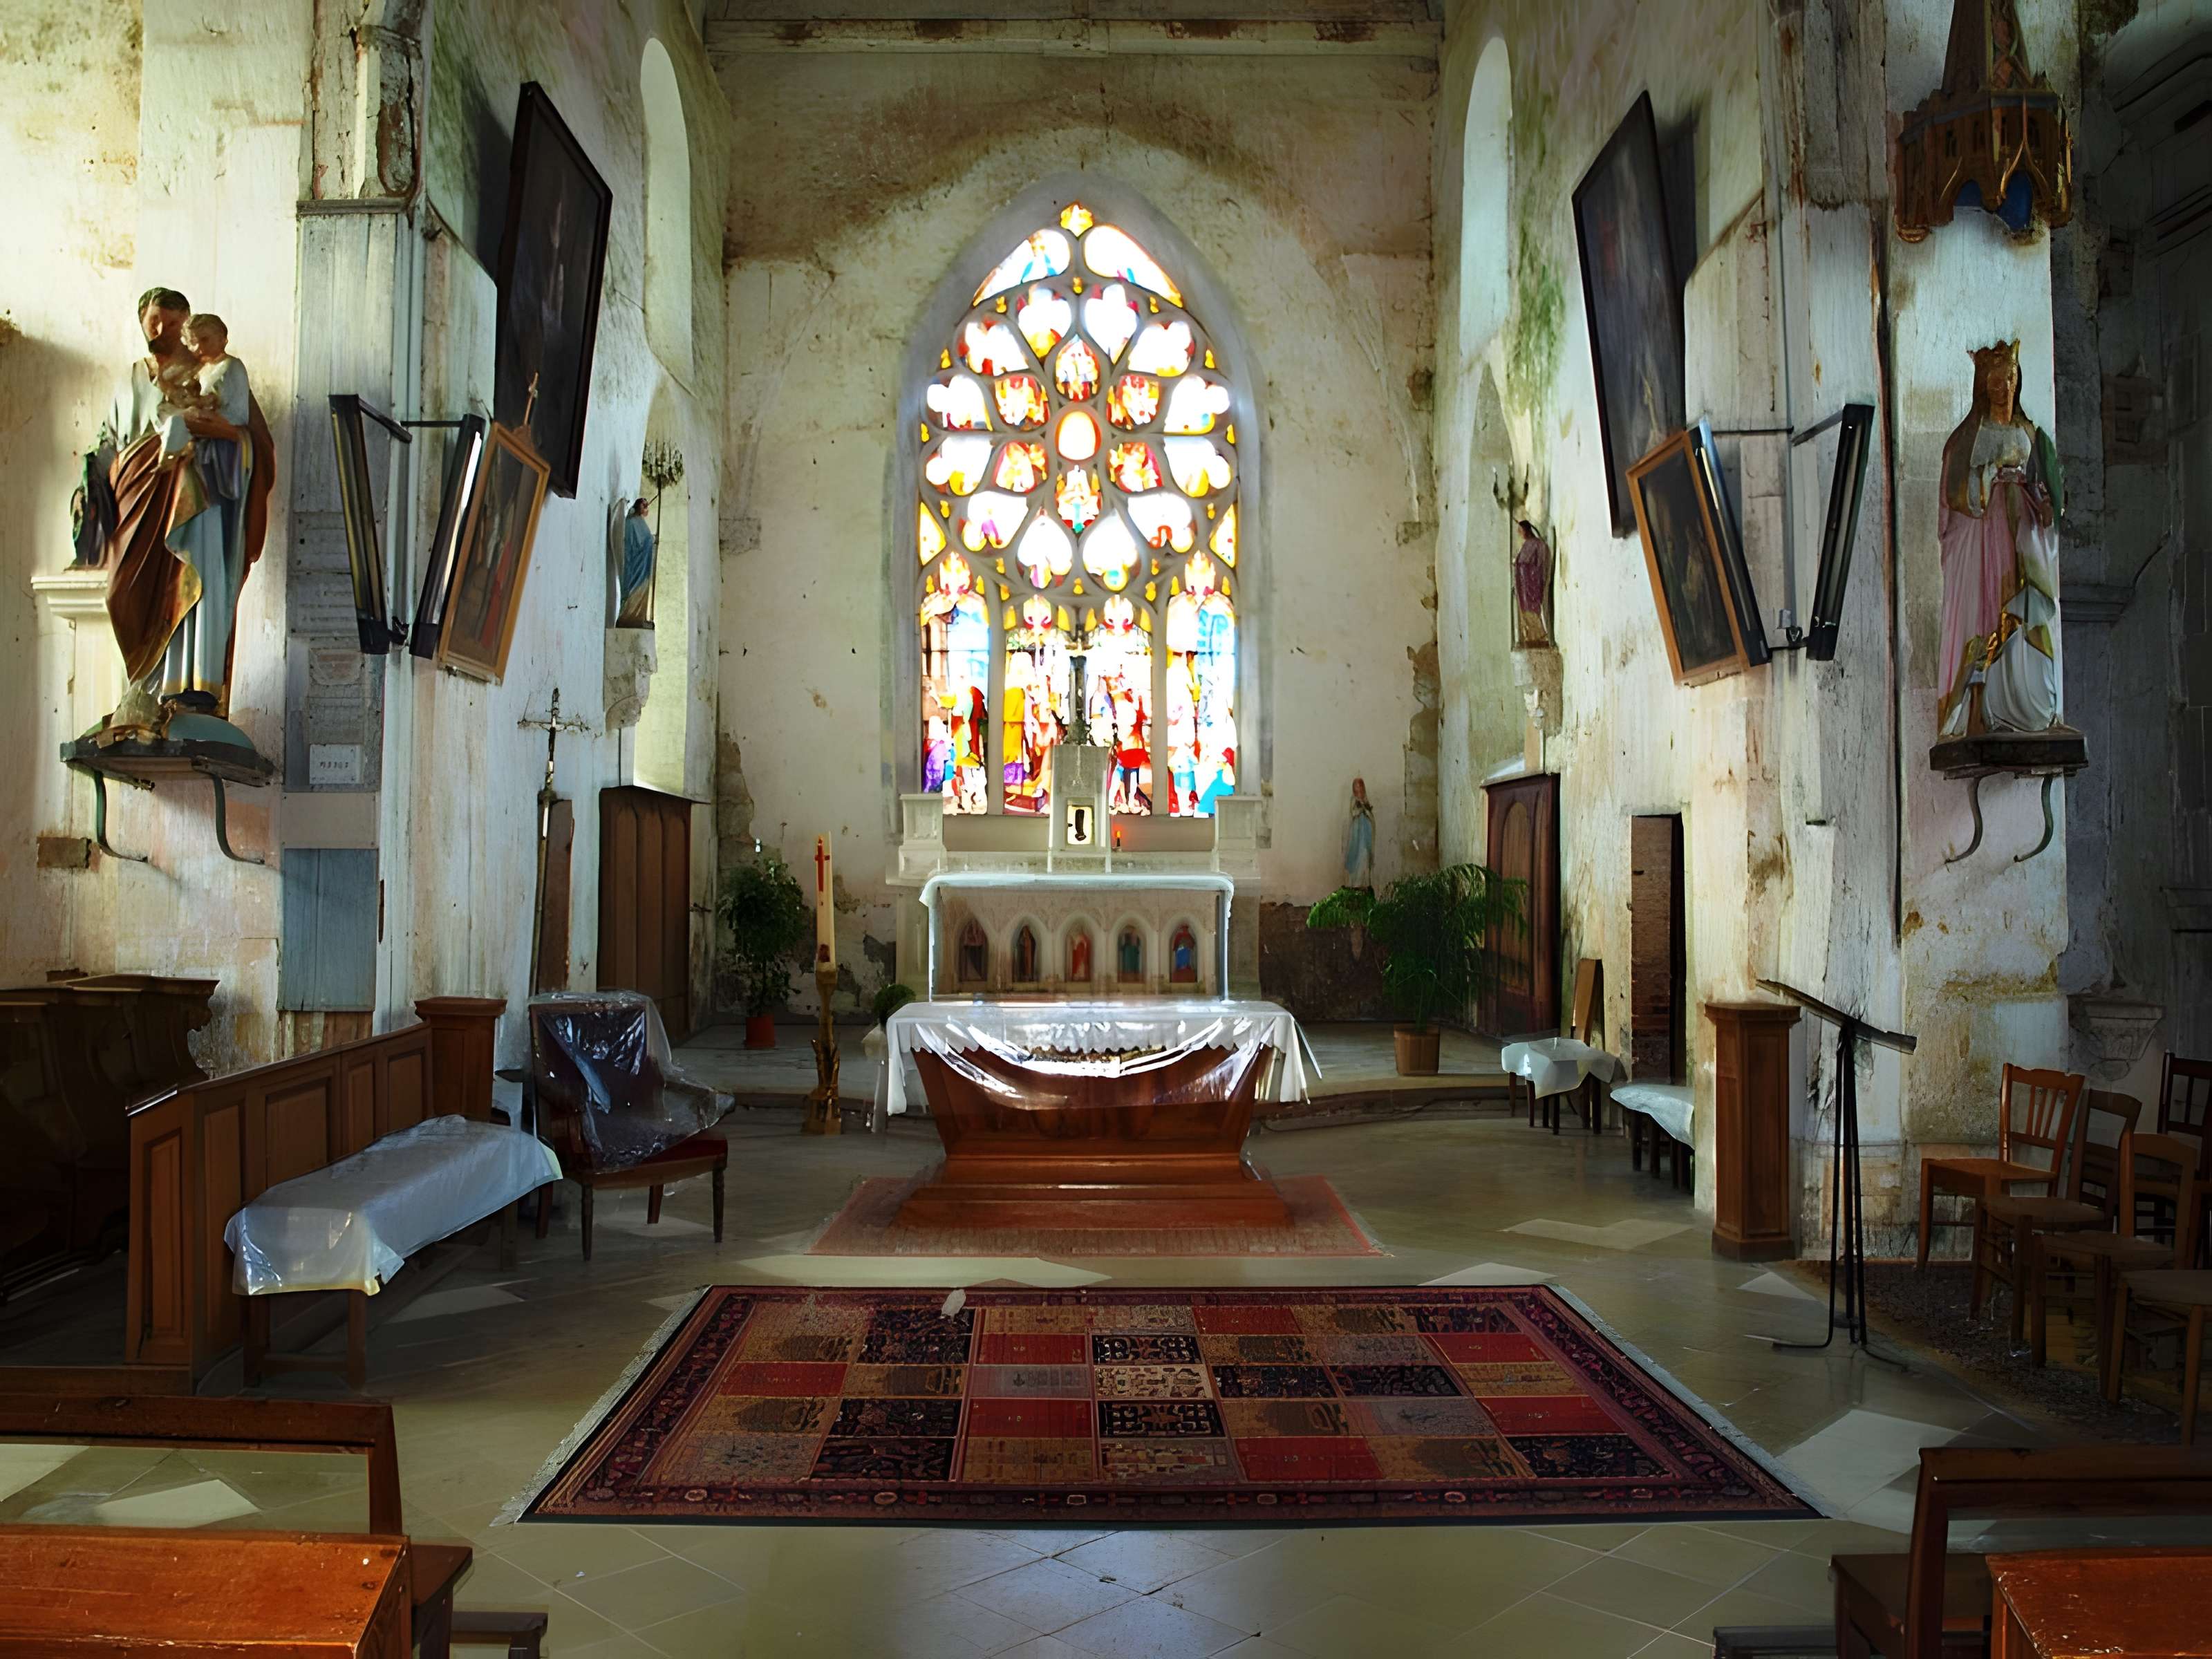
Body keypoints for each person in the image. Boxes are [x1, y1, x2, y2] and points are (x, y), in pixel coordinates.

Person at [95, 288, 274, 720]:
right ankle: (141, 690)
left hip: (197, 497)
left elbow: (251, 443)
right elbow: (109, 442)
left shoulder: (213, 372)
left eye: (175, 323)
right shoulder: (131, 378)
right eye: (156, 320)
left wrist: (209, 434)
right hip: (137, 498)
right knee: (123, 592)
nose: (164, 330)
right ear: (142, 320)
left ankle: (189, 688)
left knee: (197, 579)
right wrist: (96, 482)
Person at [1937, 339, 2063, 736]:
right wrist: (1993, 470)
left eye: (2009, 378)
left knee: (2025, 616)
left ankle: (2030, 708)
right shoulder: (1968, 439)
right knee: (1990, 613)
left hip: (2023, 543)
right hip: (1984, 545)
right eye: (1994, 379)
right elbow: (1957, 496)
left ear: (2017, 381)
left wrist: (2046, 507)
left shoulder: (2030, 434)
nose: (2002, 386)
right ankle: (1986, 707)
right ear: (1982, 384)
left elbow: (2050, 500)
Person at [617, 496, 655, 626]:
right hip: (636, 566)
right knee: (632, 591)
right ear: (639, 507)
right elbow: (633, 545)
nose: (646, 509)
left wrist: (651, 540)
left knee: (641, 592)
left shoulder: (639, 522)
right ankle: (629, 617)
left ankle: (638, 617)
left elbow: (645, 540)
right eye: (644, 506)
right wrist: (650, 541)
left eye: (647, 506)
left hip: (643, 566)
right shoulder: (632, 522)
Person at [1344, 777, 1376, 888]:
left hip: (1366, 838)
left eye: (1361, 789)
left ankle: (1363, 885)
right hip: (1357, 838)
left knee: (1365, 857)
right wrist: (1360, 809)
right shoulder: (1354, 801)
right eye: (1357, 790)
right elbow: (1353, 813)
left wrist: (1366, 810)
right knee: (1358, 860)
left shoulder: (1366, 801)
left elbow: (1371, 818)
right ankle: (1356, 886)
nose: (1360, 792)